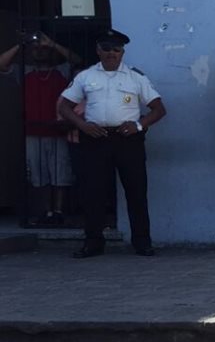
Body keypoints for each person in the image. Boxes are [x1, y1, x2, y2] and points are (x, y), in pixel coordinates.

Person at [56, 29, 167, 258]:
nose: (111, 53)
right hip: (95, 138)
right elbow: (64, 106)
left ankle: (142, 242)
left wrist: (138, 125)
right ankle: (93, 242)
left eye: (116, 49)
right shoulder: (86, 77)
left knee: (136, 190)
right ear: (98, 50)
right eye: (106, 48)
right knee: (92, 192)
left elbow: (158, 109)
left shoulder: (136, 78)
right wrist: (82, 124)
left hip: (127, 139)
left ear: (122, 52)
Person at [0, 31, 81, 225]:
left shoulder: (62, 71)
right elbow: (2, 64)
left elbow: (77, 61)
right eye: (36, 49)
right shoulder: (25, 72)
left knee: (60, 172)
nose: (40, 52)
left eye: (43, 49)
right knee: (38, 174)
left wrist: (51, 43)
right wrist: (21, 44)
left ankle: (58, 211)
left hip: (59, 130)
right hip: (33, 131)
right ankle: (46, 212)